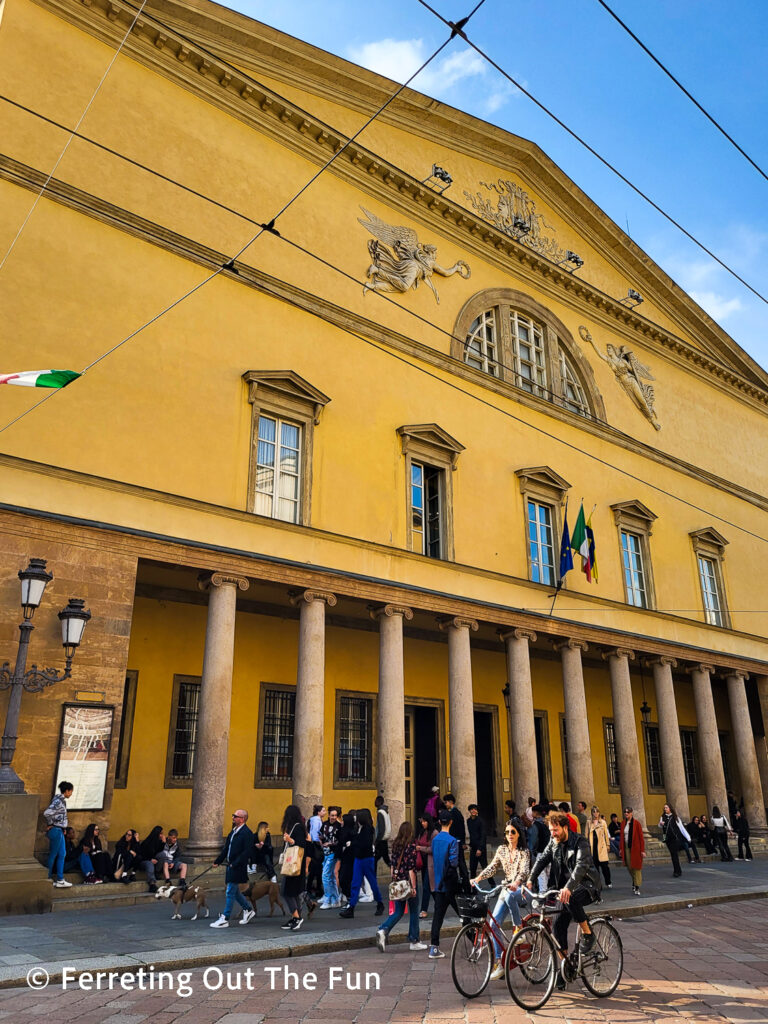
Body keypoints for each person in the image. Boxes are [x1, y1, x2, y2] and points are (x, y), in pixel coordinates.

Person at [528, 811, 600, 990]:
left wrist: (569, 887)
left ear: (565, 827)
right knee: (558, 927)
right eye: (551, 830)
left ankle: (588, 934)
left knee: (572, 898)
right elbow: (542, 860)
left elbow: (581, 866)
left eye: (556, 830)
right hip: (563, 890)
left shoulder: (580, 842)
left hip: (587, 885)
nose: (553, 834)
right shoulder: (553, 843)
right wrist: (530, 879)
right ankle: (564, 966)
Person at [472, 818, 530, 980]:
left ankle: (518, 929)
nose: (510, 835)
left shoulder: (524, 852)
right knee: (493, 924)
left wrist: (517, 883)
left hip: (521, 889)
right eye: (507, 832)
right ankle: (500, 961)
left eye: (513, 832)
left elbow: (524, 871)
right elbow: (492, 866)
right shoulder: (502, 850)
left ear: (519, 834)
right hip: (506, 889)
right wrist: (478, 878)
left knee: (511, 893)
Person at [376, 822, 427, 953]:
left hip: (398, 882)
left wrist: (394, 879)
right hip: (408, 883)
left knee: (398, 911)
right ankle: (414, 940)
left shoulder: (395, 845)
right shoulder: (411, 847)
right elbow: (411, 869)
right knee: (414, 911)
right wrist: (414, 887)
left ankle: (383, 929)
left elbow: (393, 866)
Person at [339, 808, 384, 918]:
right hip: (359, 859)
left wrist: (353, 843)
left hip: (366, 859)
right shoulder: (360, 828)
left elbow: (365, 844)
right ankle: (351, 907)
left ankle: (380, 903)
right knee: (355, 883)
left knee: (372, 883)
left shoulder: (367, 829)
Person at [428, 809, 459, 959]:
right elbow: (453, 862)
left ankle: (434, 947)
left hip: (439, 883)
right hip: (450, 885)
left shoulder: (435, 840)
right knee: (463, 914)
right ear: (451, 822)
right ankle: (475, 941)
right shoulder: (452, 840)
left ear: (440, 822)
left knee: (437, 917)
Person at [279, 804, 310, 930]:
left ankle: (297, 917)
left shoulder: (297, 828)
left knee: (287, 892)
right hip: (295, 864)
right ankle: (296, 917)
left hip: (295, 864)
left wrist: (290, 840)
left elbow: (300, 844)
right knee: (294, 892)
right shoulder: (297, 827)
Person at [43, 781, 74, 888]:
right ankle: (51, 877)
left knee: (61, 854)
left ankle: (58, 878)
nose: (71, 794)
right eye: (71, 791)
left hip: (59, 830)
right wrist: (51, 824)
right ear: (67, 791)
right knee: (55, 854)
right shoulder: (58, 802)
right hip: (56, 830)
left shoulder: (60, 800)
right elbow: (47, 813)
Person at [443, 793, 469, 888]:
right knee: (460, 862)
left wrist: (462, 842)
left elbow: (460, 829)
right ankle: (463, 883)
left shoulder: (455, 813)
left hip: (456, 841)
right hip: (457, 840)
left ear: (450, 802)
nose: (445, 804)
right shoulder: (455, 812)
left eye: (446, 802)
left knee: (460, 863)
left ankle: (465, 883)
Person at [319, 806, 342, 908]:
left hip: (333, 853)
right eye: (332, 815)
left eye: (335, 815)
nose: (333, 817)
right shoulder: (324, 824)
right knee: (331, 876)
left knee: (325, 875)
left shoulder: (339, 826)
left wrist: (330, 843)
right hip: (325, 853)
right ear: (328, 815)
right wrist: (321, 840)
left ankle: (327, 898)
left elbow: (340, 840)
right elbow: (321, 835)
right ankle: (335, 898)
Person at [415, 812, 437, 918]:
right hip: (423, 863)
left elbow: (433, 849)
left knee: (426, 886)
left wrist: (420, 848)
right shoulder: (422, 832)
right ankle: (440, 903)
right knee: (429, 886)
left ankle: (423, 909)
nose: (423, 823)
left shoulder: (434, 833)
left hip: (430, 864)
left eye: (424, 821)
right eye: (422, 821)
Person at [659, 804, 690, 878]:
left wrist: (688, 837)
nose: (665, 809)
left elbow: (681, 828)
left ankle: (677, 871)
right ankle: (677, 870)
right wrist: (661, 824)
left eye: (666, 807)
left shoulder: (675, 817)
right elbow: (660, 826)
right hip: (667, 838)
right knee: (673, 855)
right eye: (664, 808)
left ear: (670, 808)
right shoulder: (662, 817)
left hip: (675, 838)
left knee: (674, 854)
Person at [620, 807, 645, 895]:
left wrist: (642, 850)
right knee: (629, 866)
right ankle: (635, 881)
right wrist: (621, 848)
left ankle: (637, 886)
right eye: (625, 812)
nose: (626, 813)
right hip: (626, 847)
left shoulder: (637, 823)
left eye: (628, 812)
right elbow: (622, 837)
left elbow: (641, 838)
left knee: (636, 867)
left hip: (635, 847)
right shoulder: (623, 823)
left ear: (631, 813)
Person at [528, 804, 551, 893]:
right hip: (549, 851)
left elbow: (534, 839)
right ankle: (550, 892)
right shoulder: (547, 822)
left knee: (541, 874)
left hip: (541, 852)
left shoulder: (536, 824)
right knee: (549, 873)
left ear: (535, 812)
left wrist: (532, 850)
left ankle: (543, 893)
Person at [586, 807, 612, 887]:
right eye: (594, 812)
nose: (595, 813)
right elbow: (586, 834)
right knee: (595, 867)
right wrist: (587, 846)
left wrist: (608, 844)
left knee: (605, 866)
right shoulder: (588, 822)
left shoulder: (603, 822)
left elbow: (606, 835)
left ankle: (608, 881)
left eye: (597, 811)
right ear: (591, 813)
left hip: (602, 846)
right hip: (592, 846)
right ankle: (597, 883)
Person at [337, 811, 356, 906]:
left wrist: (349, 844)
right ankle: (349, 897)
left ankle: (350, 898)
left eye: (343, 820)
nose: (342, 822)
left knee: (345, 879)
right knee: (342, 878)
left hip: (350, 859)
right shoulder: (342, 830)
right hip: (344, 858)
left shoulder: (352, 832)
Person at [139, 825, 166, 893]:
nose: (162, 835)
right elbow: (140, 856)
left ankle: (157, 872)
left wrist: (163, 843)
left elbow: (159, 851)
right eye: (161, 833)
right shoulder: (147, 842)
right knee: (150, 863)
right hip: (143, 862)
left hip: (152, 860)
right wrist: (150, 859)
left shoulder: (158, 842)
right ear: (156, 834)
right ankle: (152, 884)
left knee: (162, 855)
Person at [306, 805, 325, 898]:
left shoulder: (312, 819)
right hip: (316, 847)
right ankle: (314, 889)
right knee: (316, 869)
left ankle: (314, 888)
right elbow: (314, 833)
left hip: (313, 846)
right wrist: (319, 843)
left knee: (315, 869)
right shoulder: (317, 820)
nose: (324, 812)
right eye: (323, 810)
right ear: (318, 812)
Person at [466, 804, 487, 877]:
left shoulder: (481, 821)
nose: (473, 811)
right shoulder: (468, 821)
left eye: (475, 809)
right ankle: (473, 886)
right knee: (472, 868)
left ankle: (492, 884)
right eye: (472, 809)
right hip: (473, 848)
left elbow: (483, 835)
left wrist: (480, 849)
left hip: (480, 848)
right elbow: (472, 835)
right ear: (469, 811)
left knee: (485, 868)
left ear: (477, 811)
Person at [374, 795, 392, 868]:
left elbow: (381, 828)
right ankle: (394, 871)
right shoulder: (385, 811)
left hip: (381, 839)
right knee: (386, 858)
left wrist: (377, 840)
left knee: (375, 858)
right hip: (384, 838)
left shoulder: (380, 813)